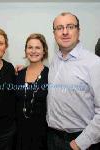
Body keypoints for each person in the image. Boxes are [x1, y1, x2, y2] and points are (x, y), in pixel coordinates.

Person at [47, 12, 100, 150]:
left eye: (70, 26)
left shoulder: (94, 63)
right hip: (52, 137)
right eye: (59, 28)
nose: (65, 32)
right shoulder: (55, 61)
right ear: (54, 33)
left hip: (79, 141)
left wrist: (80, 143)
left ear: (78, 31)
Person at [15, 33, 49, 150]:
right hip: (19, 133)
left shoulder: (51, 75)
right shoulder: (18, 74)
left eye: (38, 47)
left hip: (41, 134)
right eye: (30, 47)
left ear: (44, 51)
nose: (33, 51)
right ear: (25, 51)